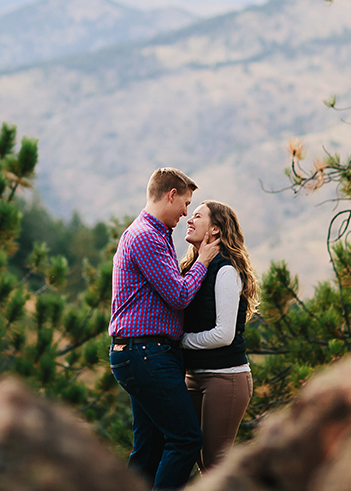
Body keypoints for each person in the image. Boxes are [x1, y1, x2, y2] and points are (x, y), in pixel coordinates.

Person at [108, 167, 220, 490]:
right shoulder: (146, 236)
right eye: (185, 203)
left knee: (149, 449)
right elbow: (179, 295)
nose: (186, 212)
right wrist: (203, 260)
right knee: (186, 439)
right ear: (171, 195)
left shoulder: (155, 236)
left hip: (142, 354)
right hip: (146, 354)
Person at [179, 200, 259, 473]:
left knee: (215, 462)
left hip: (226, 376)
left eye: (197, 216)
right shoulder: (191, 267)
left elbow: (223, 335)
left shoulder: (225, 270)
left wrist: (181, 341)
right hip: (194, 375)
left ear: (214, 229)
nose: (189, 220)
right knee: (199, 458)